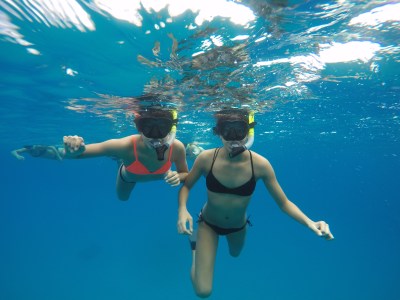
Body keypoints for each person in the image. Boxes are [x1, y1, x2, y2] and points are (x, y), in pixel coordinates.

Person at [177, 108, 334, 298]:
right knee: (203, 292)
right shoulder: (206, 158)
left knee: (235, 254)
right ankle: (195, 248)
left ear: (248, 132)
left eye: (239, 131)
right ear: (218, 132)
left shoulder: (260, 165)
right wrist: (182, 209)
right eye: (228, 131)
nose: (234, 138)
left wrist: (310, 222)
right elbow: (186, 186)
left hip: (238, 226)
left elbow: (283, 203)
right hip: (208, 224)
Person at [63, 107, 189, 200]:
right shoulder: (125, 146)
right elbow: (76, 155)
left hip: (149, 175)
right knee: (123, 198)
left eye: (162, 128)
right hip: (129, 178)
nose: (155, 136)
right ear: (139, 129)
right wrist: (74, 149)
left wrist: (179, 177)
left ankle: (119, 158)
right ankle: (120, 161)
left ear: (170, 129)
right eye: (148, 128)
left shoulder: (177, 148)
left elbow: (185, 174)